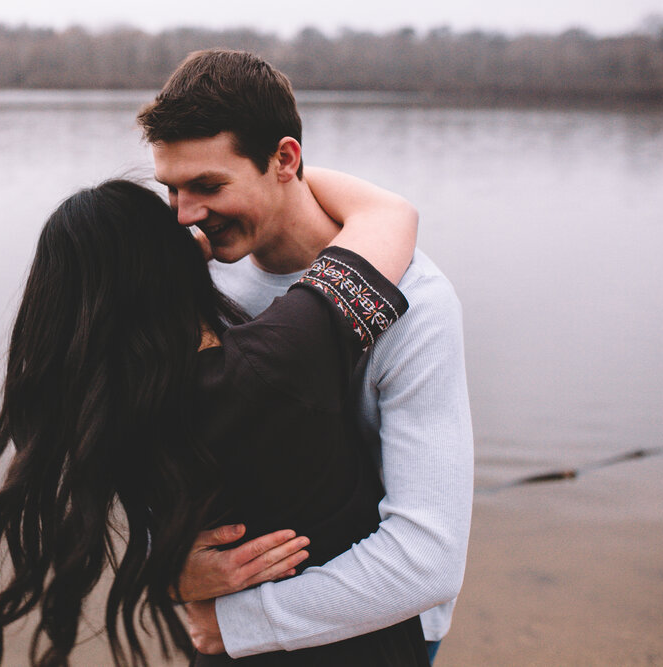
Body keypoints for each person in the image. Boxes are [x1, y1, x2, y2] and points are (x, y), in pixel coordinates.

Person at [0, 172, 426, 665]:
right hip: (355, 648)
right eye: (177, 219)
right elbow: (390, 214)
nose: (189, 215)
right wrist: (264, 173)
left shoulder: (107, 407)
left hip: (226, 653)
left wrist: (161, 570)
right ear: (167, 260)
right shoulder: (276, 358)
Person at [137, 49, 473, 664]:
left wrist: (236, 625)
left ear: (285, 160)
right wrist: (167, 560)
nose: (185, 217)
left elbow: (428, 558)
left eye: (209, 186)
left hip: (375, 630)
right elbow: (162, 453)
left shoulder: (418, 306)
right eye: (173, 189)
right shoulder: (197, 279)